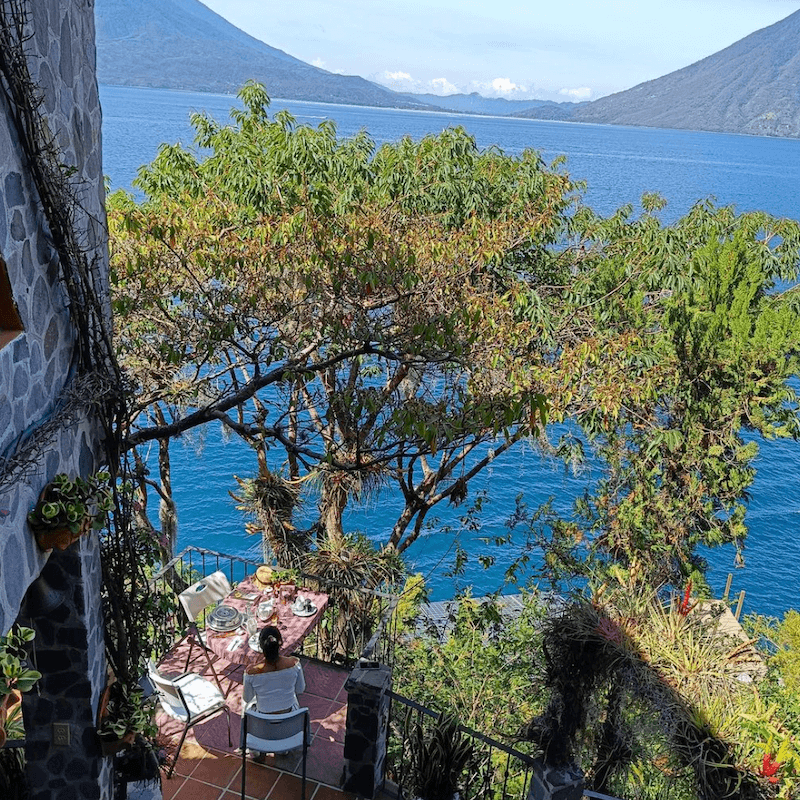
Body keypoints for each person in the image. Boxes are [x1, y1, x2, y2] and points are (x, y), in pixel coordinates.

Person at [242, 626, 306, 760]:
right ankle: (282, 748)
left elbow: (247, 698)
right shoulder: (294, 664)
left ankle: (257, 751)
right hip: (289, 725)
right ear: (280, 643)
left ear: (260, 646)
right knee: (292, 698)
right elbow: (300, 689)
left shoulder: (251, 672)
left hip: (262, 728)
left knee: (246, 706)